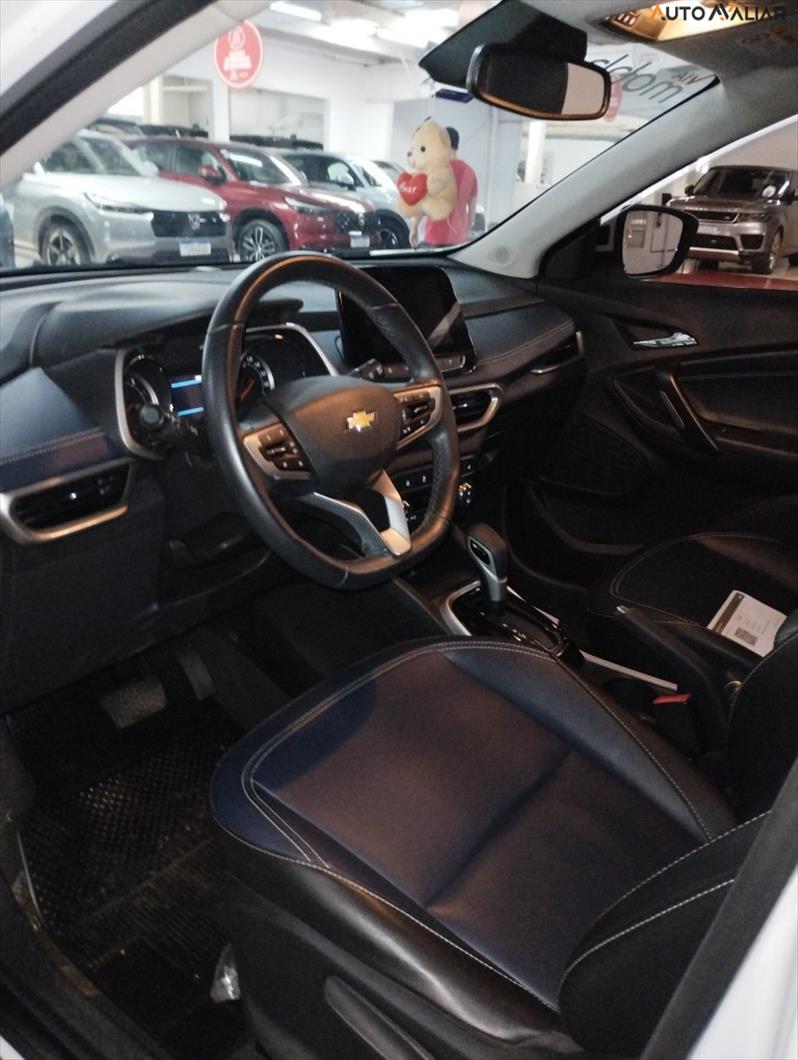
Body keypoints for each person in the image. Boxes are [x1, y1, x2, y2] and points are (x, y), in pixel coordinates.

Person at [421, 126, 478, 247]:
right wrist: (465, 232)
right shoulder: (470, 172)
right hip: (458, 240)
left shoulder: (433, 170)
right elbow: (472, 211)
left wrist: (415, 227)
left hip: (433, 237)